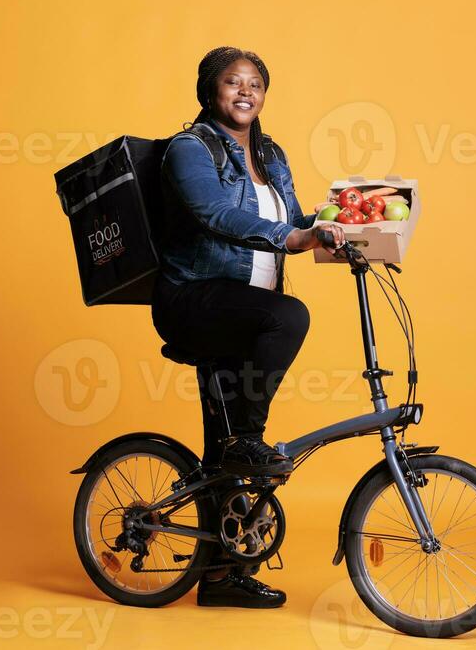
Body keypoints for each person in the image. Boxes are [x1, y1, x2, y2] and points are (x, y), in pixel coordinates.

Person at [151, 45, 345, 609]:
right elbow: (214, 214)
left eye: (255, 84)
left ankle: (220, 576)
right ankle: (245, 441)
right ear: (211, 90)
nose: (245, 92)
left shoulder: (271, 153)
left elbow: (291, 220)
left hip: (244, 305)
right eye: (233, 82)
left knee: (226, 445)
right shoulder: (189, 149)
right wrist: (291, 239)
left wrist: (347, 228)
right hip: (193, 298)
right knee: (290, 317)